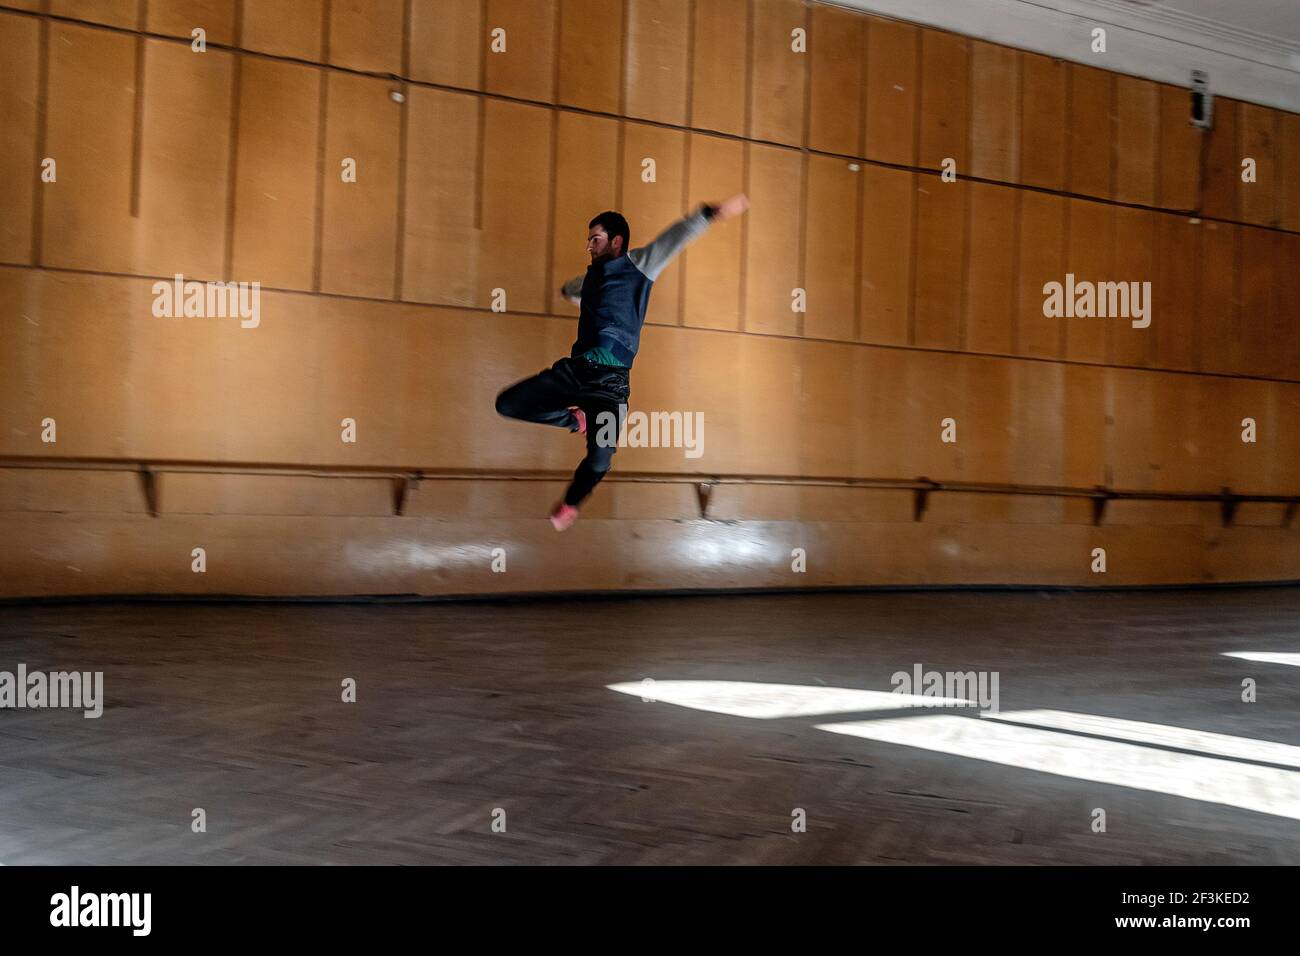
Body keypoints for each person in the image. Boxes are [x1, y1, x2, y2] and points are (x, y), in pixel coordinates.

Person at [495, 194, 751, 530]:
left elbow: (674, 238)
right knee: (508, 403)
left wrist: (709, 214)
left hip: (611, 384)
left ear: (616, 241)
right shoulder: (592, 278)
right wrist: (573, 293)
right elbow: (572, 288)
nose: (589, 246)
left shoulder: (639, 264)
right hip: (575, 372)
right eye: (588, 240)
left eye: (596, 239)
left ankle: (571, 504)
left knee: (601, 457)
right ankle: (577, 421)